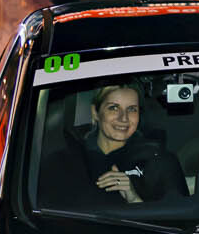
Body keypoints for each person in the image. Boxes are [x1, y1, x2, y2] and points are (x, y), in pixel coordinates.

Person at [39, 82, 183, 208]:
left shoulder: (160, 162)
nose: (123, 118)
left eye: (132, 109)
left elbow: (176, 223)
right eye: (113, 108)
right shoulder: (62, 162)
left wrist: (134, 199)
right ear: (95, 112)